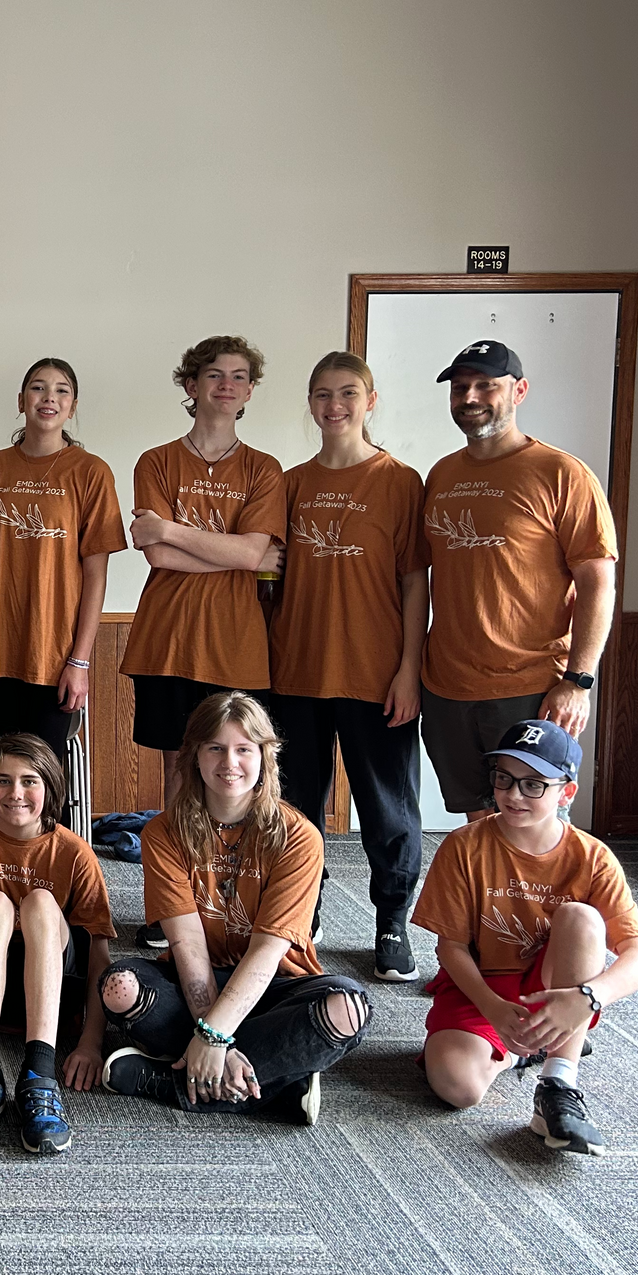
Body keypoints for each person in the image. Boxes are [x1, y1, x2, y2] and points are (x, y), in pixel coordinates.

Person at [99, 692, 371, 1123]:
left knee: (348, 1008)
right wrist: (213, 1033)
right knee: (119, 988)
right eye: (216, 748)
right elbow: (188, 945)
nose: (230, 762)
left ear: (265, 757)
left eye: (244, 749)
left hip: (276, 987)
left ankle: (171, 1081)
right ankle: (278, 1081)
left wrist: (212, 1037)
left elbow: (267, 952)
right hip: (197, 982)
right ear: (194, 756)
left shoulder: (299, 837)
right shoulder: (163, 833)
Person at [412, 720, 638, 1155]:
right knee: (457, 1088)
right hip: (480, 986)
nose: (513, 795)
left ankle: (558, 1084)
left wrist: (588, 997)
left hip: (557, 982)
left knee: (582, 918)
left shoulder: (592, 857)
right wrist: (492, 1007)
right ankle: (525, 1050)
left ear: (566, 792)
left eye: (533, 785)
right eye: (504, 779)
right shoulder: (463, 846)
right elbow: (450, 948)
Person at [116, 337, 284, 949]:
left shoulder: (264, 469)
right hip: (167, 639)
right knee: (180, 770)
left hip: (238, 644)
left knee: (241, 773)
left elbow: (250, 550)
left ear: (249, 391)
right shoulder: (156, 461)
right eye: (214, 375)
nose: (226, 385)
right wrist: (238, 554)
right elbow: (157, 555)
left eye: (239, 376)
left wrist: (173, 530)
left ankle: (235, 903)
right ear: (191, 386)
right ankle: (174, 903)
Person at [268, 353, 427, 982]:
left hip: (375, 673)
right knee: (296, 808)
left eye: (348, 393)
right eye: (322, 394)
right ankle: (301, 910)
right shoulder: (290, 483)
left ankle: (391, 921)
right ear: (310, 403)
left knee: (388, 809)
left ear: (371, 400)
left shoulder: (400, 482)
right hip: (296, 672)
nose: (335, 406)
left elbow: (414, 583)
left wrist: (409, 669)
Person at [420, 341, 618, 823]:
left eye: (486, 385)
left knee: (535, 826)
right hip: (447, 687)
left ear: (519, 390)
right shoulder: (441, 474)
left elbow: (598, 582)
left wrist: (578, 681)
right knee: (478, 822)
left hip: (529, 688)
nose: (470, 397)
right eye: (460, 387)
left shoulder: (562, 473)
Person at [0, 734, 114, 1155]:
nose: (15, 793)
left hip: (52, 1001)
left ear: (50, 787)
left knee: (40, 902)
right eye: (3, 780)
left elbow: (100, 958)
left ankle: (39, 1075)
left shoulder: (75, 853)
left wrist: (90, 1042)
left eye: (29, 781)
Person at [0, 357, 126, 756]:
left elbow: (96, 575)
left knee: (44, 768)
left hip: (56, 652)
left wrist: (80, 661)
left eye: (62, 391)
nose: (49, 398)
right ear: (21, 400)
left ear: (72, 407)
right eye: (38, 388)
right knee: (5, 763)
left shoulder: (91, 472)